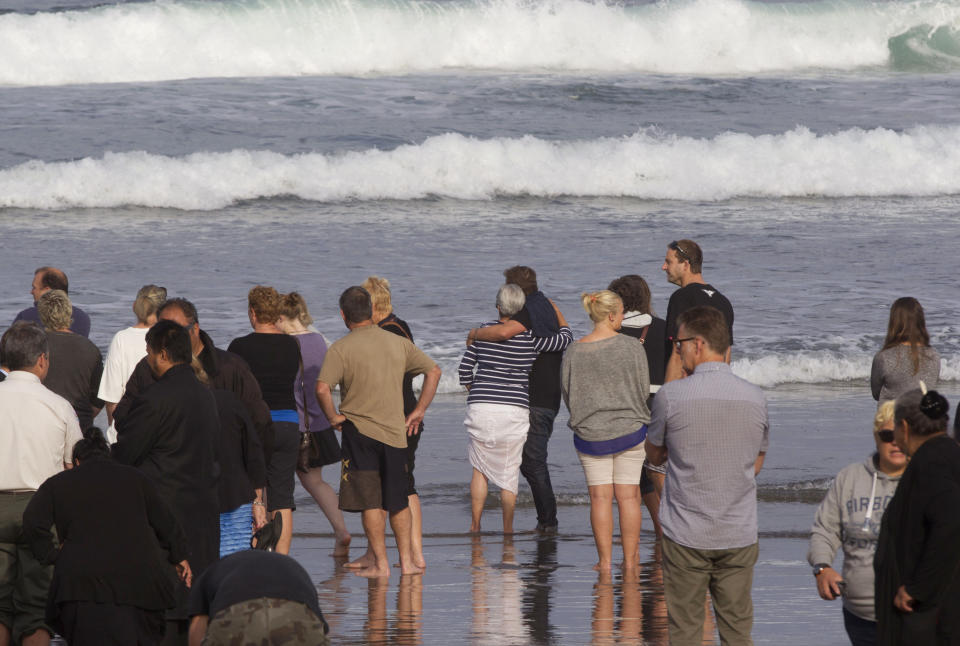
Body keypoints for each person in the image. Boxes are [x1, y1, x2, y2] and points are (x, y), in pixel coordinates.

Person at [644, 305, 768, 646]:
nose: (677, 349)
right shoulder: (755, 397)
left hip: (686, 530)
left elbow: (653, 454)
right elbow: (755, 462)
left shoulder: (671, 396)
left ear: (698, 344)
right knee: (737, 632)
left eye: (679, 342)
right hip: (737, 529)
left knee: (684, 630)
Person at [21, 427, 192, 646]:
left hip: (80, 589)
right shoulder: (136, 479)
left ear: (78, 461)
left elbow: (32, 522)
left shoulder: (59, 483)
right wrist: (179, 556)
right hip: (140, 587)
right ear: (107, 456)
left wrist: (51, 555)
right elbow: (166, 521)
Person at [315, 286, 442, 578]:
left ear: (344, 315)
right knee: (398, 498)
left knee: (370, 500)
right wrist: (420, 409)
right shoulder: (396, 342)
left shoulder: (340, 348)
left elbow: (322, 388)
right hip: (396, 431)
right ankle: (408, 562)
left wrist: (333, 416)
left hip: (359, 433)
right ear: (372, 311)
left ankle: (381, 564)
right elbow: (433, 371)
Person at [113, 320, 221, 646]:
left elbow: (125, 453)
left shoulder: (154, 399)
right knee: (196, 607)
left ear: (161, 354)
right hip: (202, 511)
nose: (146, 359)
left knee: (160, 610)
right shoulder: (207, 397)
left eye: (148, 352)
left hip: (163, 514)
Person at [459, 284, 572, 534]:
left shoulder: (482, 333)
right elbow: (565, 339)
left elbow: (465, 370)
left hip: (481, 406)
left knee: (480, 469)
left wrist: (477, 391)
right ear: (521, 309)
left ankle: (475, 526)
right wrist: (556, 310)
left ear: (498, 306)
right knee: (509, 471)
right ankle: (507, 529)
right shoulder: (532, 339)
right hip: (514, 408)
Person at [115, 297, 273, 475]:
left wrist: (254, 474)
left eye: (177, 332)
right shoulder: (147, 368)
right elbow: (123, 415)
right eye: (162, 333)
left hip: (225, 476)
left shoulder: (229, 367)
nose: (168, 340)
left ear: (195, 329)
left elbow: (259, 421)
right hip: (165, 476)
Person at [0, 323, 82, 646]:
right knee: (36, 610)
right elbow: (71, 468)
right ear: (42, 361)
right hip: (41, 511)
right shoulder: (59, 406)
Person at [561, 290, 650, 571]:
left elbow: (567, 391)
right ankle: (631, 560)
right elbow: (643, 387)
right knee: (628, 496)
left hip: (590, 432)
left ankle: (605, 561)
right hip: (631, 428)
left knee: (599, 498)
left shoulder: (574, 350)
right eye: (622, 312)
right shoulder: (632, 346)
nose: (623, 317)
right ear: (611, 315)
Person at [808, 401, 905, 646]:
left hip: (911, 615)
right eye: (887, 435)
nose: (895, 441)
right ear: (876, 437)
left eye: (902, 434)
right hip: (859, 615)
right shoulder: (849, 478)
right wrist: (822, 568)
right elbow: (825, 529)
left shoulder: (926, 480)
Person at [874, 387, 960, 645]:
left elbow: (951, 521)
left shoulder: (930, 465)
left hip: (929, 620)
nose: (896, 441)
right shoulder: (947, 456)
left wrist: (917, 589)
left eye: (896, 433)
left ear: (905, 427)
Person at [227, 286, 301, 556]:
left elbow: (233, 389)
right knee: (283, 496)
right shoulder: (292, 345)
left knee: (253, 492)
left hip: (255, 426)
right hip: (288, 423)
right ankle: (281, 559)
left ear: (253, 312)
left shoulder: (239, 347)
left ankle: (256, 553)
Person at [277, 292, 351, 556]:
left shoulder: (284, 345)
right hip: (318, 422)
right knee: (316, 482)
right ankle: (341, 530)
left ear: (283, 317)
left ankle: (274, 546)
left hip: (292, 423)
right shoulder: (319, 340)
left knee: (276, 486)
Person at [362, 276, 428, 564]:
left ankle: (407, 553)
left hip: (397, 417)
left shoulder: (388, 333)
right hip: (406, 412)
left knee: (393, 485)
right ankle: (414, 553)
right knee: (405, 482)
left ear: (372, 305)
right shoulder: (399, 326)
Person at [608, 273, 666, 538]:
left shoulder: (611, 332)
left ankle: (659, 528)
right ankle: (667, 530)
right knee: (660, 472)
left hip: (626, 407)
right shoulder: (665, 328)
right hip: (663, 403)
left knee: (636, 478)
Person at [187, 551, 329, 646]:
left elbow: (197, 628)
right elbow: (321, 625)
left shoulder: (210, 572)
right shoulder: (293, 568)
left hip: (237, 615)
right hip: (294, 612)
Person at [98, 284, 167, 440]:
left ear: (135, 306)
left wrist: (115, 437)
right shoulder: (169, 338)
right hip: (163, 431)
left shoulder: (121, 339)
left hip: (127, 431)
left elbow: (112, 399)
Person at [661, 239, 733, 383]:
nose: (664, 267)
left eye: (669, 262)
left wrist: (666, 396)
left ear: (685, 265)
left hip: (689, 387)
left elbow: (677, 352)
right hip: (717, 384)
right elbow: (726, 354)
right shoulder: (723, 301)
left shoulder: (681, 297)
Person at [36, 290, 104, 430]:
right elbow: (100, 397)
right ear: (68, 312)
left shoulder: (34, 346)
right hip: (80, 424)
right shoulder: (90, 349)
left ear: (42, 314)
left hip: (42, 422)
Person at [870, 297, 940, 402]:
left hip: (891, 417)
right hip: (923, 417)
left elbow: (876, 394)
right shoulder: (933, 356)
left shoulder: (884, 357)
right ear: (921, 322)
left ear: (894, 323)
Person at [13, 266, 91, 337]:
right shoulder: (83, 318)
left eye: (34, 287)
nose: (31, 292)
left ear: (47, 290)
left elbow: (10, 348)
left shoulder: (26, 317)